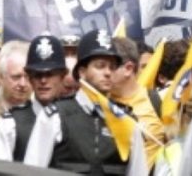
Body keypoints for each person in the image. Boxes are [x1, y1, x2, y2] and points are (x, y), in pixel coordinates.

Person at [23, 28, 145, 173]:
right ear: (82, 71)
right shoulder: (55, 117)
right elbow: (31, 171)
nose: (107, 72)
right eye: (100, 66)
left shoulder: (127, 121)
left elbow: (138, 172)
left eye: (112, 67)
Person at [0, 34, 67, 162]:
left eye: (50, 74)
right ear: (30, 77)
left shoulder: (75, 117)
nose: (43, 80)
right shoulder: (10, 124)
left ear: (62, 76)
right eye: (37, 75)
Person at [111, 36, 165, 169]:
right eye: (100, 66)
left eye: (109, 66)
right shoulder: (97, 105)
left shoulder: (159, 101)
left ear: (128, 68)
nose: (104, 72)